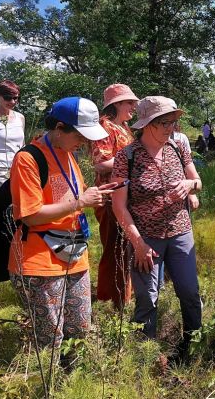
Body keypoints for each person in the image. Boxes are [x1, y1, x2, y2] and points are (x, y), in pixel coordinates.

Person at [8, 97, 114, 356]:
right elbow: (30, 215)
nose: (85, 143)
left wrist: (94, 193)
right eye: (80, 135)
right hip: (40, 262)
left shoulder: (69, 154)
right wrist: (81, 202)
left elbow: (68, 194)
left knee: (79, 330)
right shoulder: (28, 159)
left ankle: (74, 384)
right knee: (50, 340)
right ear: (58, 128)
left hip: (75, 254)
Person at [111, 96, 203, 361]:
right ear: (147, 124)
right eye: (164, 123)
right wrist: (138, 244)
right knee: (148, 297)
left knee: (189, 292)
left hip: (181, 232)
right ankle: (146, 356)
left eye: (173, 122)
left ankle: (192, 347)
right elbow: (119, 207)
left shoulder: (177, 148)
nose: (170, 128)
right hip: (146, 238)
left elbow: (197, 181)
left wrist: (189, 186)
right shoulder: (126, 156)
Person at [90, 84, 140, 309]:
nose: (134, 106)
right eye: (130, 102)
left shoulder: (125, 127)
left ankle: (124, 298)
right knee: (113, 249)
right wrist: (132, 162)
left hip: (126, 197)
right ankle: (108, 300)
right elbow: (101, 164)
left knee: (126, 247)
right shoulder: (104, 126)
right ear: (117, 104)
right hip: (110, 198)